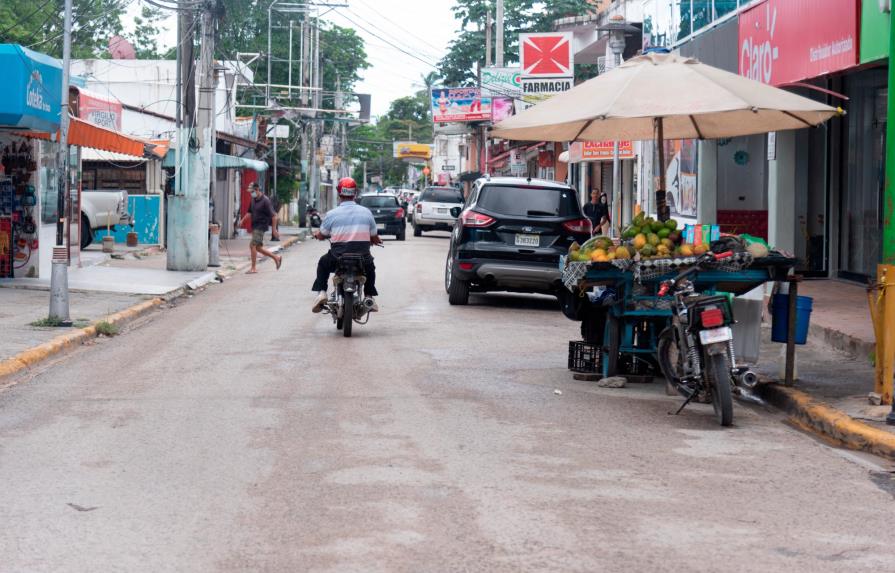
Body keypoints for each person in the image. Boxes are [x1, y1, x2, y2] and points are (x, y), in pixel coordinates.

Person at [312, 177, 382, 313]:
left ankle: (322, 293)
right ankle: (369, 297)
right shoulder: (366, 212)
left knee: (323, 263)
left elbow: (321, 234)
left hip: (337, 257)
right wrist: (375, 240)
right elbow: (374, 236)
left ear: (339, 193)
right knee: (370, 268)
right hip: (362, 258)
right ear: (354, 193)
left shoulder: (332, 214)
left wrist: (317, 235)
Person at [238, 182, 282, 274]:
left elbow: (274, 216)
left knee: (252, 245)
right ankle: (276, 258)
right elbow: (249, 213)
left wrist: (274, 230)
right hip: (254, 226)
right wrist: (242, 221)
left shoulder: (265, 200)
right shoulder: (253, 199)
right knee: (258, 248)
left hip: (261, 226)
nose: (251, 193)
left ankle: (253, 268)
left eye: (252, 191)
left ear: (257, 190)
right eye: (250, 192)